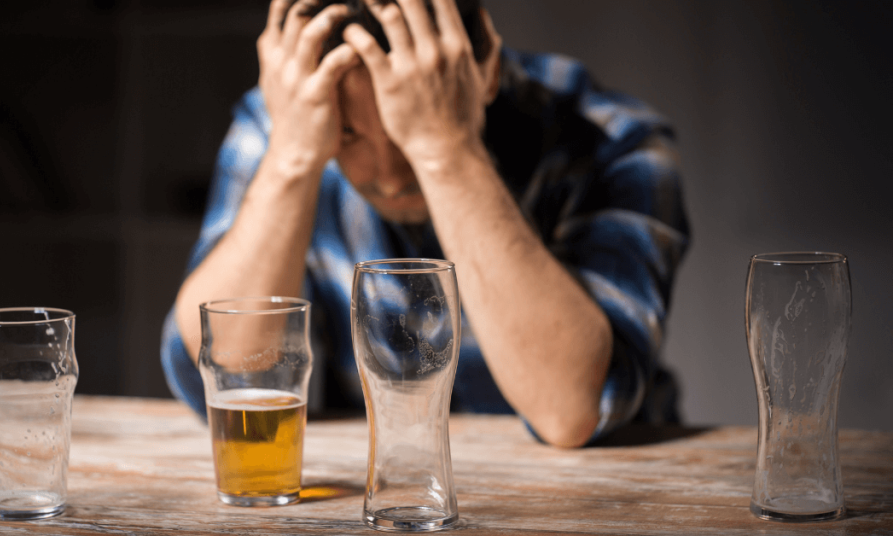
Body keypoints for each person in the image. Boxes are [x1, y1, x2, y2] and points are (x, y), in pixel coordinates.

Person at [161, 0, 689, 448]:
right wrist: (293, 157)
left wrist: (446, 149)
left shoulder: (617, 140)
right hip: (392, 490)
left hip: (605, 493)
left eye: (404, 130)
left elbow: (572, 410)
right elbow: (220, 375)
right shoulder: (289, 118)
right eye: (348, 136)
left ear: (484, 64)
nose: (389, 177)